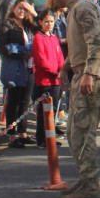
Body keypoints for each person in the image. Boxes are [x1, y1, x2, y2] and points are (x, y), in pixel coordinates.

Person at [47, 0, 100, 198]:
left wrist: (90, 73)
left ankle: (91, 185)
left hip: (90, 77)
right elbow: (79, 44)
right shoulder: (75, 9)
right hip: (80, 73)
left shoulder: (83, 8)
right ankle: (85, 180)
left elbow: (96, 43)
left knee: (83, 134)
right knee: (75, 133)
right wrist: (66, 67)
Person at [0, 0, 36, 146]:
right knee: (13, 101)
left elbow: (41, 27)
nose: (22, 11)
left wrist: (33, 13)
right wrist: (19, 55)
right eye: (20, 8)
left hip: (29, 66)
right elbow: (1, 46)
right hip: (15, 66)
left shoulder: (28, 25)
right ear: (13, 8)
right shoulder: (7, 24)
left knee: (25, 101)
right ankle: (12, 135)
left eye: (25, 9)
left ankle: (23, 132)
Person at [32, 9, 64, 148]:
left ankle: (50, 137)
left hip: (55, 80)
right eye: (46, 21)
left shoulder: (54, 37)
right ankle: (41, 138)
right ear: (40, 22)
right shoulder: (38, 38)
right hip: (44, 80)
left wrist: (62, 70)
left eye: (51, 21)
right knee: (44, 112)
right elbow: (41, 59)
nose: (49, 24)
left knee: (53, 111)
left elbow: (59, 56)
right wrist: (53, 71)